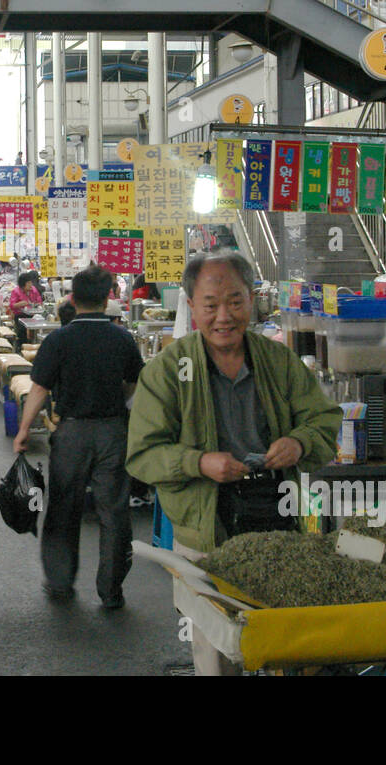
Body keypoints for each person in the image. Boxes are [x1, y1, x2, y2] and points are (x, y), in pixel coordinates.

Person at [127, 251, 341, 675]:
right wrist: (198, 462)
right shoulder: (167, 371)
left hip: (276, 522)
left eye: (235, 301)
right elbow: (142, 456)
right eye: (210, 305)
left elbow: (324, 421)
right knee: (216, 652)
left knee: (287, 642)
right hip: (206, 532)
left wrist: (299, 443)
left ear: (252, 300)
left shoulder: (277, 360)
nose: (224, 316)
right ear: (191, 306)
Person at [14, 265, 144, 608]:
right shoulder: (122, 338)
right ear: (107, 298)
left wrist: (24, 429)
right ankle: (111, 590)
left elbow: (39, 388)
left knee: (63, 507)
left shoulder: (59, 339)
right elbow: (134, 383)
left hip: (71, 431)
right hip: (114, 431)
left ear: (72, 298)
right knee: (114, 512)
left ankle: (60, 582)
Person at [8, 271, 44, 344]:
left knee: (39, 326)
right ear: (22, 284)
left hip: (32, 315)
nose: (31, 284)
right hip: (20, 316)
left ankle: (33, 344)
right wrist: (19, 304)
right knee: (22, 331)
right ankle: (22, 347)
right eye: (28, 283)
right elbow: (12, 305)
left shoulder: (33, 290)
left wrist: (38, 305)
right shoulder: (16, 291)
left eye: (31, 282)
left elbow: (39, 300)